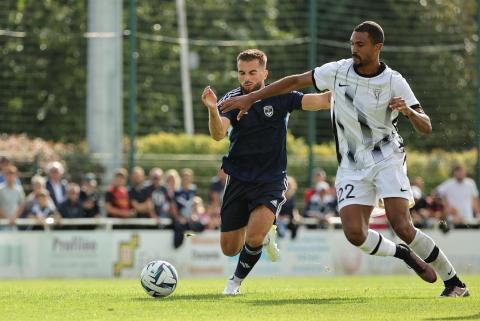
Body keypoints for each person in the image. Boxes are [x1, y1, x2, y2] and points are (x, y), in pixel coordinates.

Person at [221, 22, 468, 297]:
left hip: (387, 157)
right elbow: (293, 81)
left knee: (401, 224)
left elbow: (426, 125)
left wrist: (409, 111)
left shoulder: (393, 81)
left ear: (378, 47)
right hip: (351, 165)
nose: (354, 49)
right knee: (355, 234)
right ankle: (404, 254)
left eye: (360, 44)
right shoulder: (337, 71)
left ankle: (454, 282)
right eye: (352, 43)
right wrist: (252, 98)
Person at [202, 48, 331, 295]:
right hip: (239, 178)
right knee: (229, 248)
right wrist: (211, 109)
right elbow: (218, 134)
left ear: (265, 73)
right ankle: (264, 236)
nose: (246, 78)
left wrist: (355, 89)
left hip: (271, 179)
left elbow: (322, 100)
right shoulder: (233, 98)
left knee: (253, 237)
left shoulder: (281, 95)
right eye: (241, 73)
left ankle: (234, 284)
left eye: (252, 72)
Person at [0, 165, 25, 230]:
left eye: (12, 173)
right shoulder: (0, 189)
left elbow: (22, 205)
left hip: (14, 224)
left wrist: (15, 217)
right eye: (8, 173)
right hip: (2, 224)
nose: (10, 175)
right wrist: (7, 219)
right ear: (4, 175)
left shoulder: (19, 189)